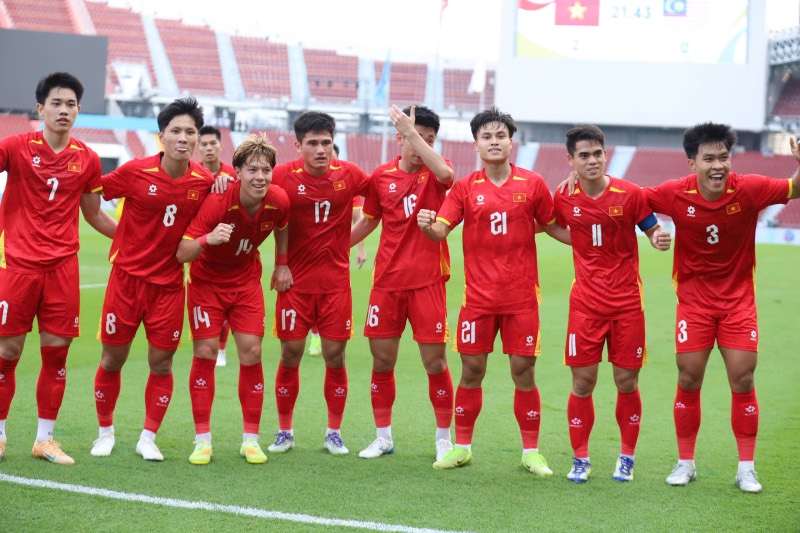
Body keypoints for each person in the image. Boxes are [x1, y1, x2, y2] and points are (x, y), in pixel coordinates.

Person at [642, 123, 800, 493]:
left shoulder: (749, 188)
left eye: (723, 157)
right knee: (688, 377)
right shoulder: (674, 194)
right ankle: (685, 463)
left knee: (743, 378)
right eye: (709, 158)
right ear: (691, 163)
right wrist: (652, 231)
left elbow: (794, 189)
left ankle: (746, 468)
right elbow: (636, 201)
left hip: (738, 303)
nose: (718, 165)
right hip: (694, 304)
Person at [417, 107, 569, 473]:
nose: (495, 141)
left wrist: (594, 239)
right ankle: (462, 447)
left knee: (523, 372)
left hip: (521, 300)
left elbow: (553, 226)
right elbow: (441, 229)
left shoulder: (532, 184)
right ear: (476, 144)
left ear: (511, 142)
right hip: (478, 300)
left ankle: (531, 451)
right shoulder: (466, 188)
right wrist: (427, 226)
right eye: (487, 136)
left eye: (501, 135)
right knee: (471, 372)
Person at [0, 72, 116, 465]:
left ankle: (44, 440)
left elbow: (95, 215)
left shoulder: (88, 158)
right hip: (15, 263)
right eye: (56, 103)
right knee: (7, 351)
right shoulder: (16, 146)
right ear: (40, 108)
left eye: (70, 104)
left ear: (79, 110)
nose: (63, 110)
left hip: (62, 268)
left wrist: (135, 242)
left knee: (57, 354)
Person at [90, 97, 215, 461]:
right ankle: (105, 432)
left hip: (170, 288)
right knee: (112, 360)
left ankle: (148, 437)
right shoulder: (134, 171)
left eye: (190, 131)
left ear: (197, 138)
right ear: (161, 136)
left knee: (161, 363)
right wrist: (121, 238)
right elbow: (92, 199)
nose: (183, 137)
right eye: (175, 130)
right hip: (125, 282)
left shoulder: (204, 182)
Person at [553, 124, 671, 483]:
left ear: (606, 154)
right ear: (571, 160)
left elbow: (651, 226)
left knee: (626, 382)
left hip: (626, 305)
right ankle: (581, 459)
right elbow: (549, 224)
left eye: (598, 153)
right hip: (585, 306)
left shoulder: (630, 194)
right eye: (584, 155)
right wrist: (578, 240)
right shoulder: (563, 197)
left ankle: (627, 457)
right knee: (582, 383)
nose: (593, 161)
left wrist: (658, 237)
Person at [350, 105, 455, 463]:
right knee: (382, 362)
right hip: (387, 283)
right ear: (398, 139)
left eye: (429, 139)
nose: (420, 144)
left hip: (427, 282)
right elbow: (369, 221)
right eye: (413, 137)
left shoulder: (436, 174)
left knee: (435, 363)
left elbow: (447, 174)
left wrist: (416, 136)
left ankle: (443, 438)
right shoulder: (381, 176)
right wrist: (333, 246)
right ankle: (383, 437)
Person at [177, 133, 290, 465]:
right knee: (206, 351)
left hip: (245, 283)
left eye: (266, 170)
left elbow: (283, 225)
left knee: (252, 352)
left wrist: (282, 265)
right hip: (207, 283)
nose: (260, 177)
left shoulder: (279, 200)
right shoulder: (218, 200)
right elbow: (183, 251)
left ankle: (250, 439)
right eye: (252, 169)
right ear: (236, 171)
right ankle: (202, 441)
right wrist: (208, 239)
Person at [268, 111, 370, 455]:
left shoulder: (350, 174)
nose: (321, 149)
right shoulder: (281, 175)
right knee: (290, 354)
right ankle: (285, 430)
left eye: (326, 142)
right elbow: (253, 198)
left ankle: (334, 431)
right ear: (298, 145)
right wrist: (280, 264)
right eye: (312, 143)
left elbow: (379, 206)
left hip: (335, 286)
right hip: (293, 284)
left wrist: (349, 242)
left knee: (335, 357)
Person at [308, 142, 367, 357]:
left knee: (331, 301)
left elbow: (358, 219)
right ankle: (315, 338)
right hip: (307, 256)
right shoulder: (307, 183)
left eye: (331, 154)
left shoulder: (347, 184)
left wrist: (360, 249)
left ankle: (328, 338)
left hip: (335, 256)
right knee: (311, 299)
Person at [197, 125, 237, 367]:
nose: (209, 148)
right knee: (204, 302)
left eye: (213, 143)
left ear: (221, 145)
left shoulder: (233, 173)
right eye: (204, 144)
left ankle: (221, 349)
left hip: (228, 245)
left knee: (227, 301)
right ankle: (207, 343)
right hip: (200, 246)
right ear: (197, 147)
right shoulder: (191, 173)